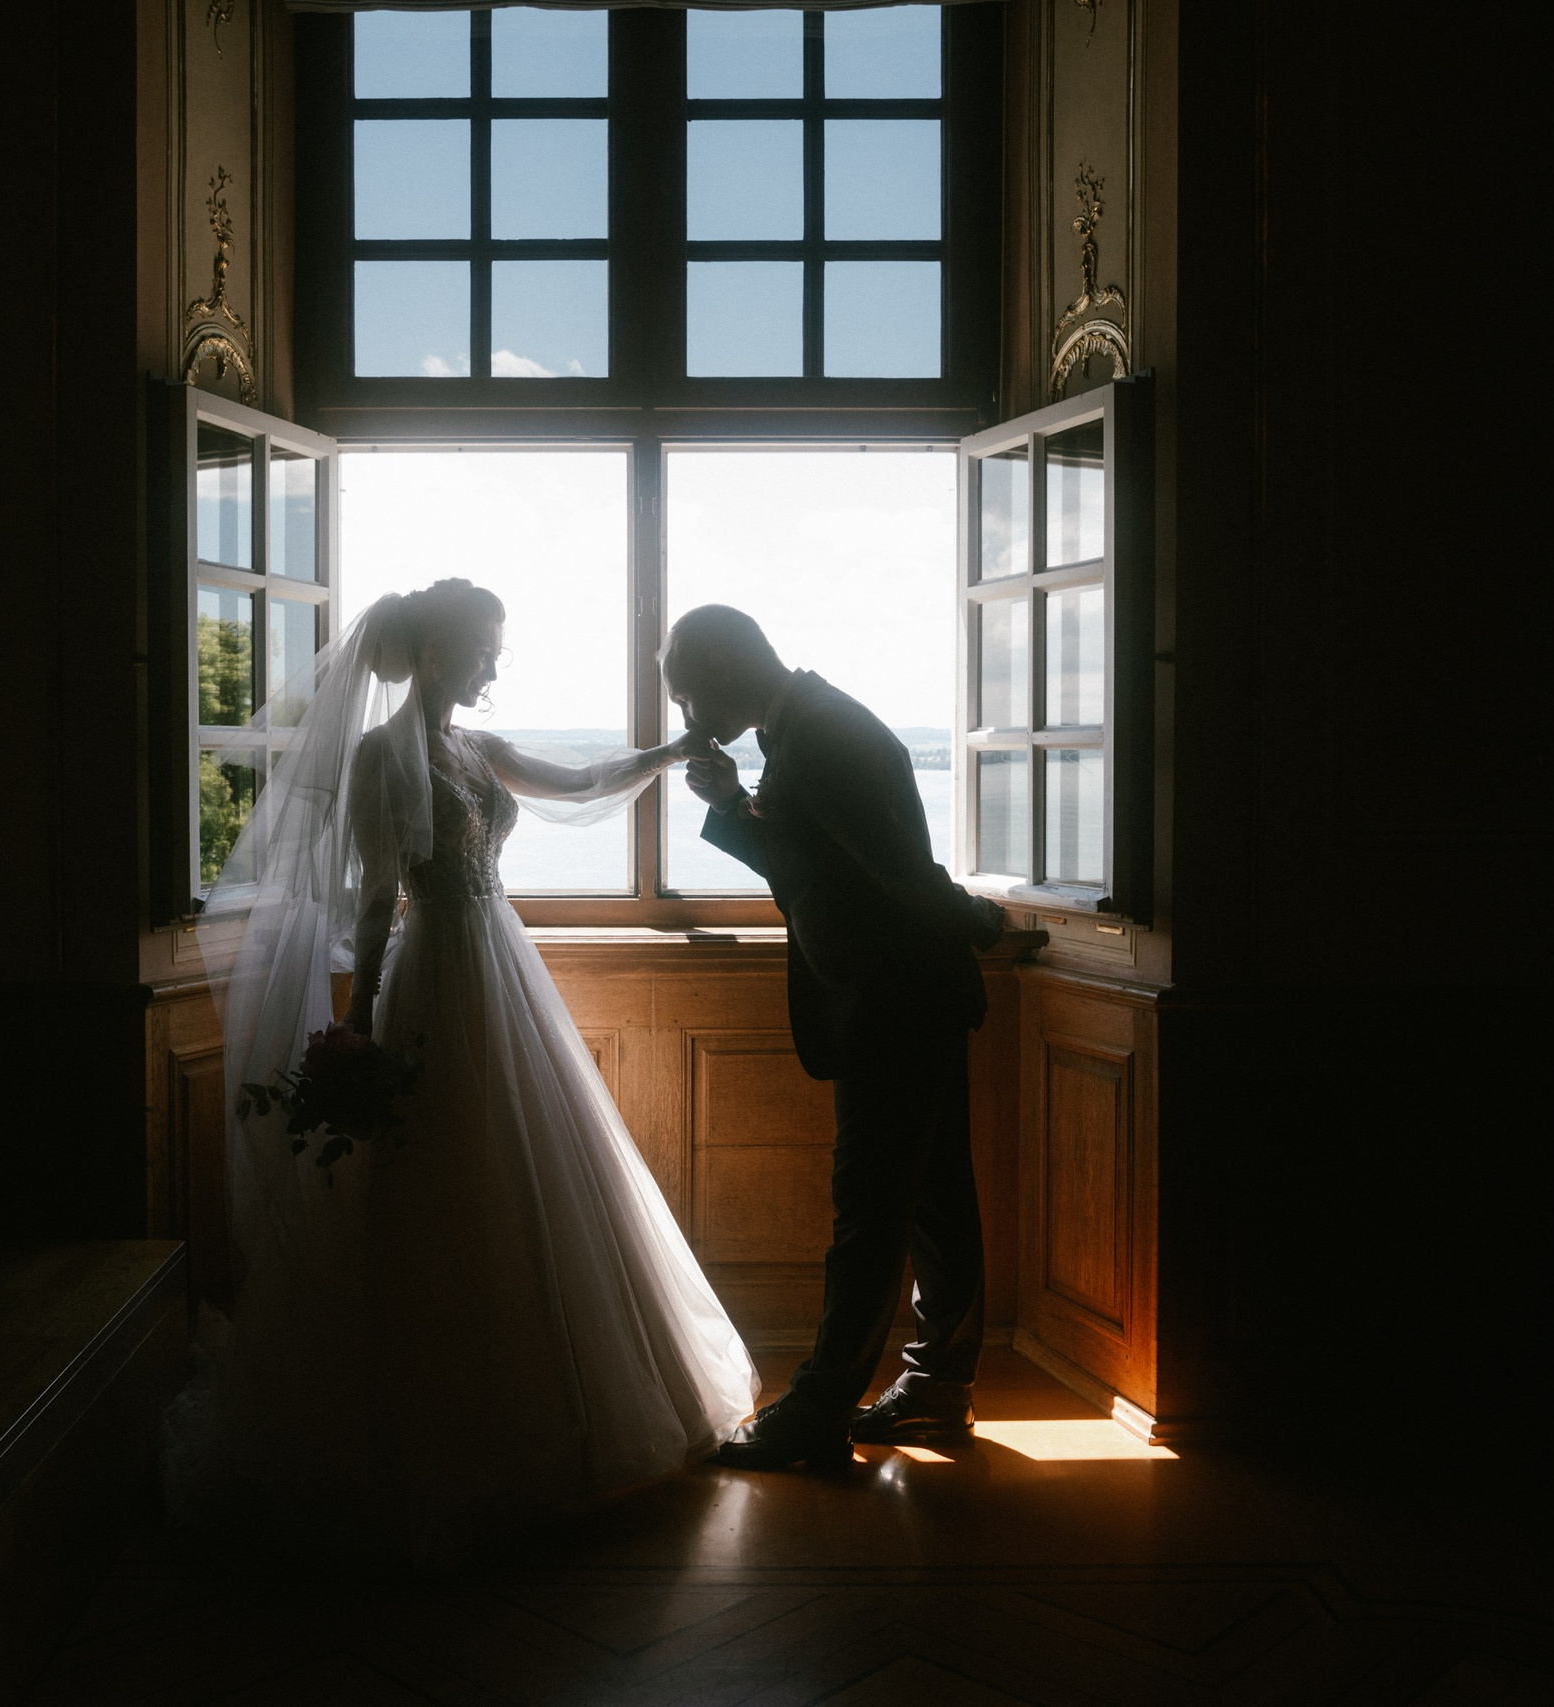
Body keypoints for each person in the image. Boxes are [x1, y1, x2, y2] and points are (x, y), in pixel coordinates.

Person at [163, 580, 759, 1565]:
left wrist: (667, 752)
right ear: (436, 653)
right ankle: (445, 1433)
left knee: (527, 1176)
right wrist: (354, 1035)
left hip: (498, 964)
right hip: (438, 972)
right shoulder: (378, 757)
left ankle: (551, 1409)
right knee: (442, 1183)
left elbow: (573, 783)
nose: (495, 665)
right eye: (485, 648)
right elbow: (368, 906)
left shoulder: (475, 750)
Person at [662, 604, 1006, 1470]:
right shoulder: (806, 729)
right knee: (931, 1200)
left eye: (687, 694)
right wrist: (733, 802)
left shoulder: (819, 737)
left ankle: (819, 1409)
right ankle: (936, 1387)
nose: (685, 717)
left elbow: (899, 871)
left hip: (893, 1002)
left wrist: (981, 921)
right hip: (898, 998)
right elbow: (810, 865)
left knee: (872, 1207)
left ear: (726, 670)